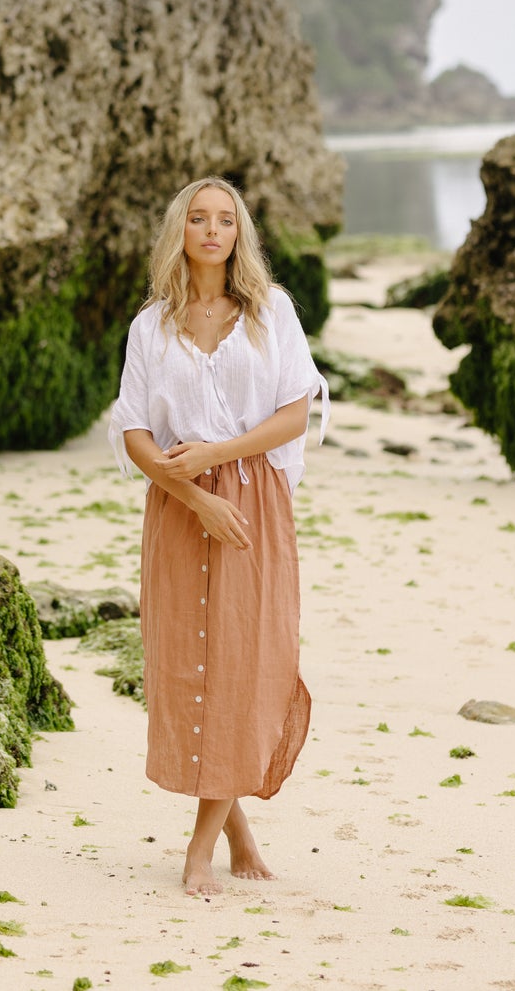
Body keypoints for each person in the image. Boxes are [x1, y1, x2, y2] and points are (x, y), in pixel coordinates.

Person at [108, 175, 328, 897]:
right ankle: (237, 834)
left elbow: (295, 414)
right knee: (193, 665)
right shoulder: (151, 326)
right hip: (178, 505)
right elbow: (135, 431)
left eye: (225, 219)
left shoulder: (271, 312)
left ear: (240, 233)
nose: (211, 230)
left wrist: (216, 459)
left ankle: (200, 848)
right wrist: (191, 494)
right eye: (198, 218)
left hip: (253, 498)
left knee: (249, 661)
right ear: (181, 231)